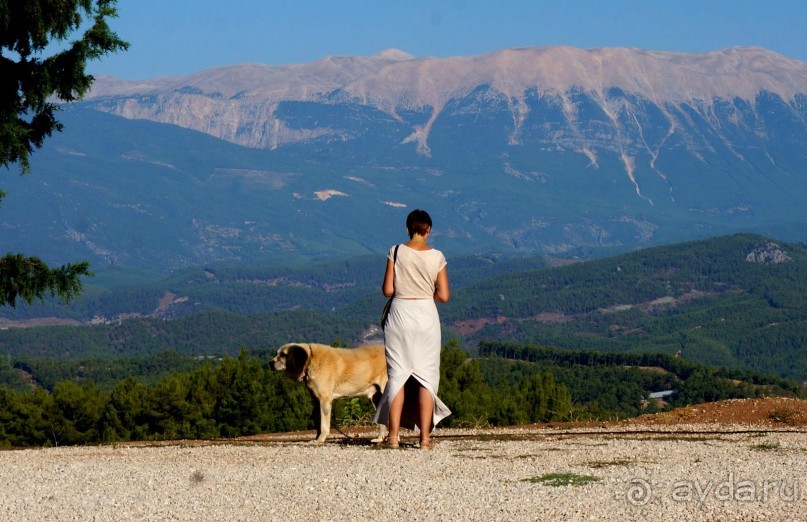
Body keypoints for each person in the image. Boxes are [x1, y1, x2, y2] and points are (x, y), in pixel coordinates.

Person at [374, 209, 451, 449]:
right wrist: (429, 292)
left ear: (408, 229)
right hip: (426, 315)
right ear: (428, 230)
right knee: (426, 377)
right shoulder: (437, 256)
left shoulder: (395, 251)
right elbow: (445, 296)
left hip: (400, 315)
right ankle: (425, 439)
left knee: (397, 375)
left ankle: (394, 436)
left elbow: (387, 290)